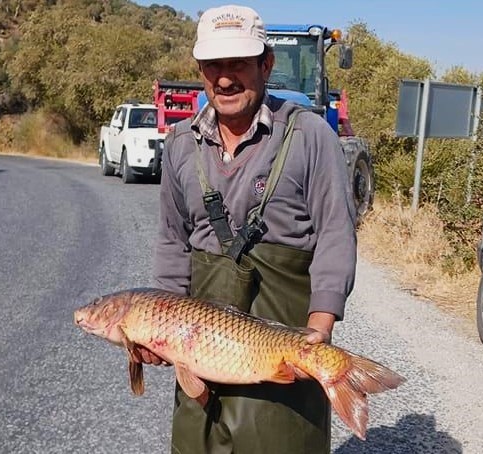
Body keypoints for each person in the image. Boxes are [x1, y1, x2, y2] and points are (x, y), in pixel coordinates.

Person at [149, 4, 357, 454]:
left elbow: (337, 234)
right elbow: (172, 238)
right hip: (200, 350)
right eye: (213, 66)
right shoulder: (180, 144)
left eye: (238, 64)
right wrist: (158, 329)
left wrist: (320, 328)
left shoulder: (311, 135)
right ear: (201, 69)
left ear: (266, 64)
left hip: (283, 342)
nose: (225, 79)